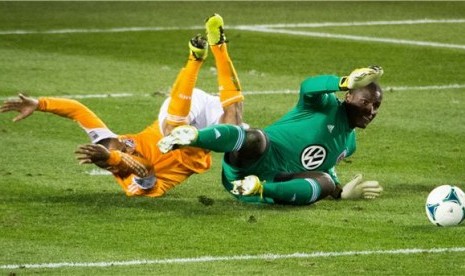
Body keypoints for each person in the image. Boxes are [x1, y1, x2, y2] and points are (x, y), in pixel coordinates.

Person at [0, 14, 244, 198]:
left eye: (122, 144)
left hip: (177, 116)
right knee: (234, 128)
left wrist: (39, 103)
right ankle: (220, 47)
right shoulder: (134, 186)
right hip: (196, 147)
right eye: (123, 151)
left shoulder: (110, 140)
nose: (127, 147)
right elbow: (145, 169)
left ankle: (195, 58)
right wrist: (114, 157)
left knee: (172, 133)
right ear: (114, 165)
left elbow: (77, 110)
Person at [158, 66, 385, 205]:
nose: (371, 110)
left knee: (324, 182)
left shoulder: (349, 144)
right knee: (255, 137)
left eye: (376, 105)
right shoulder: (324, 104)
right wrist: (343, 82)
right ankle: (191, 137)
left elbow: (325, 168)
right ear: (349, 98)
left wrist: (340, 193)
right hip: (250, 161)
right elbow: (308, 87)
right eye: (365, 102)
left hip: (272, 183)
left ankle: (257, 188)